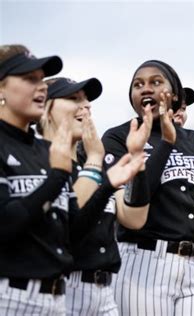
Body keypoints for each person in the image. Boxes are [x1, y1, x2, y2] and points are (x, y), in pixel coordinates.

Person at [101, 59, 194, 316]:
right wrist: (166, 144)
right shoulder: (119, 137)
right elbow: (137, 201)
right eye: (138, 84)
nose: (146, 88)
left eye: (155, 82)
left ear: (173, 94)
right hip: (144, 263)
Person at [39, 76, 151, 315]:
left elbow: (134, 218)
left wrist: (137, 162)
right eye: (73, 98)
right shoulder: (40, 161)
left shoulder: (91, 164)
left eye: (87, 100)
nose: (86, 105)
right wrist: (94, 160)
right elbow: (66, 222)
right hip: (64, 288)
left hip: (104, 293)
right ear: (45, 108)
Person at [0, 44, 73, 315]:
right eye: (29, 79)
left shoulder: (47, 150)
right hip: (10, 297)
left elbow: (74, 235)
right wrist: (57, 177)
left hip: (57, 299)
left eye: (42, 79)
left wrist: (109, 180)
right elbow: (4, 224)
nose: (41, 87)